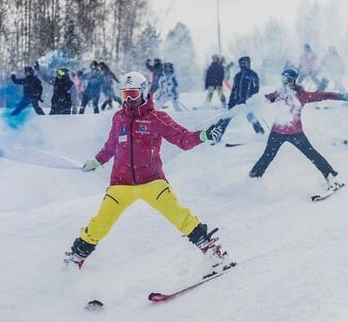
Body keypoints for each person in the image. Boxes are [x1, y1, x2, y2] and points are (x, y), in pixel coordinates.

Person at [64, 71, 233, 276]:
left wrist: (205, 135)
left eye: (133, 94)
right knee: (100, 223)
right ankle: (75, 259)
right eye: (125, 95)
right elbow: (110, 146)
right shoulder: (119, 118)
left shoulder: (157, 118)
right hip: (121, 183)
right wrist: (96, 161)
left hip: (152, 182)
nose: (129, 100)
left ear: (144, 92)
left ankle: (214, 255)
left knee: (180, 216)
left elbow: (183, 139)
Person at [249, 68, 348, 190]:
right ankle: (252, 180)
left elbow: (324, 95)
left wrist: (344, 96)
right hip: (277, 132)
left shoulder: (302, 95)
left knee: (312, 154)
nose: (285, 82)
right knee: (267, 156)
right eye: (283, 79)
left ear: (294, 81)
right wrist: (252, 102)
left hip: (295, 133)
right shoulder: (279, 93)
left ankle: (330, 176)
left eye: (288, 80)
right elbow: (265, 99)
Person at [214, 56, 264, 142]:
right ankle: (217, 136)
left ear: (248, 63)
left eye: (244, 63)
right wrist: (230, 102)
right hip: (235, 102)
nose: (242, 65)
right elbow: (234, 90)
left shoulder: (253, 75)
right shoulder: (237, 76)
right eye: (240, 64)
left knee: (251, 117)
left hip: (247, 102)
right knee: (227, 118)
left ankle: (260, 134)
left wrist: (250, 100)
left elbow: (256, 89)